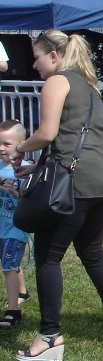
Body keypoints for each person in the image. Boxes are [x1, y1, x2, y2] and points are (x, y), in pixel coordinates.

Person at [14, 30, 103, 361]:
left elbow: (47, 133)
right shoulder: (89, 85)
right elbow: (74, 136)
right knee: (92, 251)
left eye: (36, 57)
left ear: (53, 54)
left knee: (48, 256)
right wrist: (37, 165)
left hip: (74, 183)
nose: (34, 65)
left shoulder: (56, 82)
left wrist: (18, 149)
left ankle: (50, 337)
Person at [0, 121, 30, 330]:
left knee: (8, 267)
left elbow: (29, 201)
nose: (1, 148)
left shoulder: (25, 170)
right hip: (1, 227)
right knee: (9, 263)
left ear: (21, 145)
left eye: (7, 144)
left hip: (15, 229)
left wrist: (14, 192)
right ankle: (22, 293)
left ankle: (13, 311)